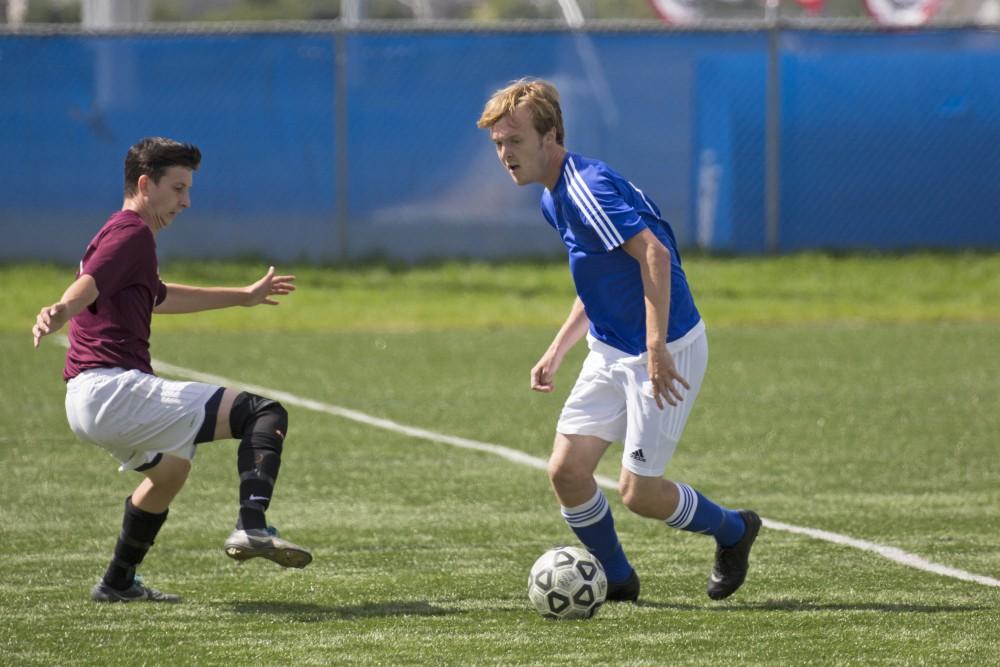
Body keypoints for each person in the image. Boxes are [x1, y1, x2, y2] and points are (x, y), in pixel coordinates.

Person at [477, 79, 761, 602]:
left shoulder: (587, 188)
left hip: (666, 348)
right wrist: (559, 347)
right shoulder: (552, 197)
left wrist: (655, 348)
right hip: (610, 348)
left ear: (551, 136)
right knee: (566, 472)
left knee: (640, 494)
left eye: (514, 141)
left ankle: (736, 531)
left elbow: (653, 256)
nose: (505, 154)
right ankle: (620, 579)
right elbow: (601, 276)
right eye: (498, 144)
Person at [31, 137, 312, 603]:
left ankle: (117, 583)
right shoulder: (131, 233)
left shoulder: (120, 236)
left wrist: (243, 296)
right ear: (146, 184)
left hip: (85, 401)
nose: (186, 201)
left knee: (172, 471)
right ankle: (252, 525)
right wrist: (61, 308)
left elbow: (160, 296)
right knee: (264, 413)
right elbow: (87, 284)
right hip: (113, 391)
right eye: (178, 188)